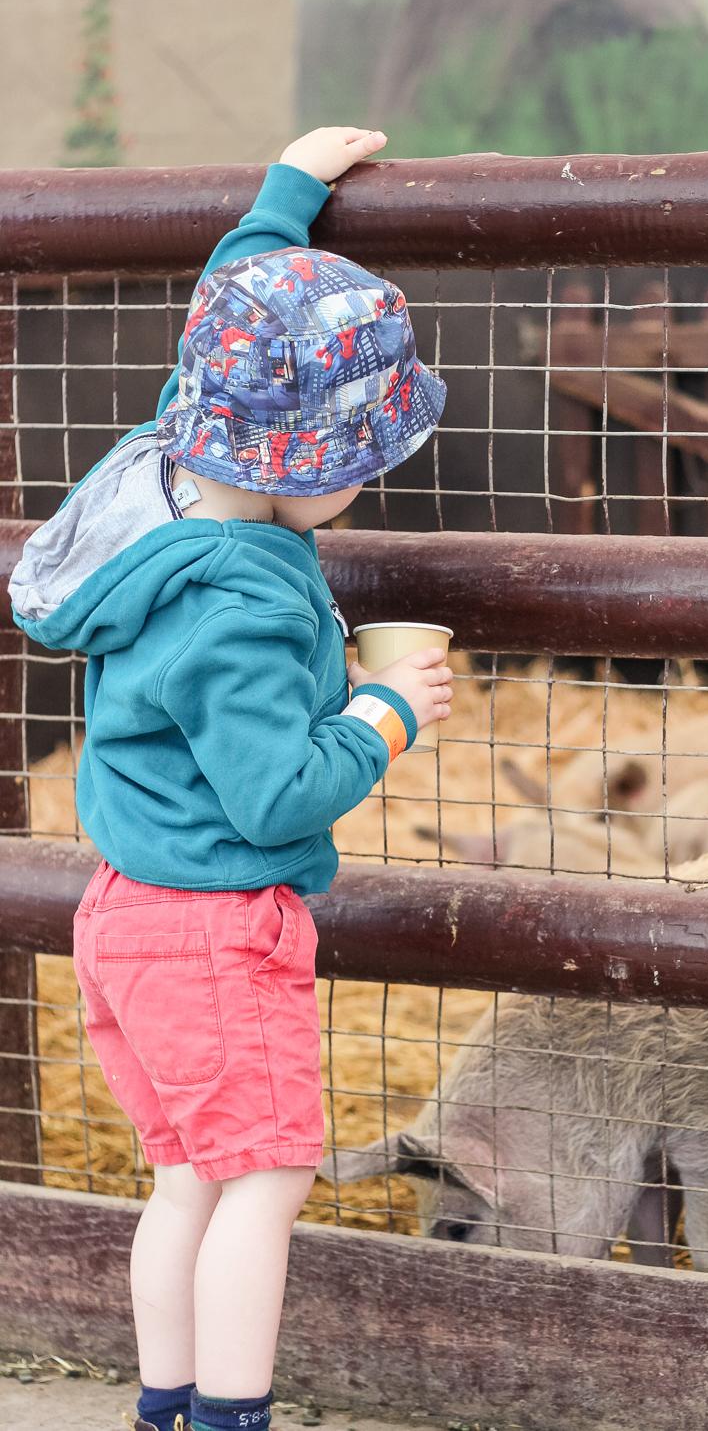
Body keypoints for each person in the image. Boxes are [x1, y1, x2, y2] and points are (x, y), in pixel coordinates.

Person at [9, 126, 453, 1431]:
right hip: (213, 927)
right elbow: (273, 797)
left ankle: (161, 1405)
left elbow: (243, 307)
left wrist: (288, 194)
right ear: (300, 465)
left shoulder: (164, 468)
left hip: (124, 914)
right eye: (358, 467)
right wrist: (382, 717)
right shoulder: (246, 601)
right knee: (265, 1181)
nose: (367, 486)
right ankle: (231, 1418)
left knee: (186, 1182)